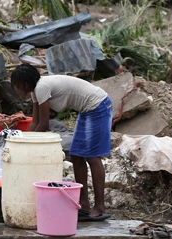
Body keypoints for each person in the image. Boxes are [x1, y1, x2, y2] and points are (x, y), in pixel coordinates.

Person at [10, 64, 113, 222]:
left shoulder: (42, 87)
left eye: (16, 86)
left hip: (98, 106)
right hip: (87, 110)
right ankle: (83, 204)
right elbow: (35, 122)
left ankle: (99, 206)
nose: (16, 90)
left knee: (92, 157)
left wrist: (29, 147)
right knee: (77, 156)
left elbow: (44, 124)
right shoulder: (37, 91)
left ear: (24, 84)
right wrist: (24, 140)